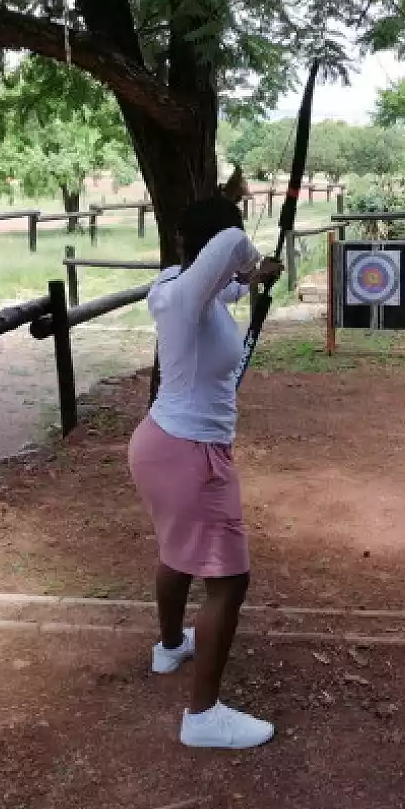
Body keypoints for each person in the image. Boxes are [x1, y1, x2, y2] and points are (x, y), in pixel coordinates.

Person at [127, 194, 283, 749]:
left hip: (168, 446)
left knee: (177, 553)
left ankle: (170, 648)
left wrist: (254, 278)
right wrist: (249, 251)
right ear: (212, 251)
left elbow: (231, 277)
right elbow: (233, 247)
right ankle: (203, 716)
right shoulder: (184, 296)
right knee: (229, 579)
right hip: (190, 453)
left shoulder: (193, 290)